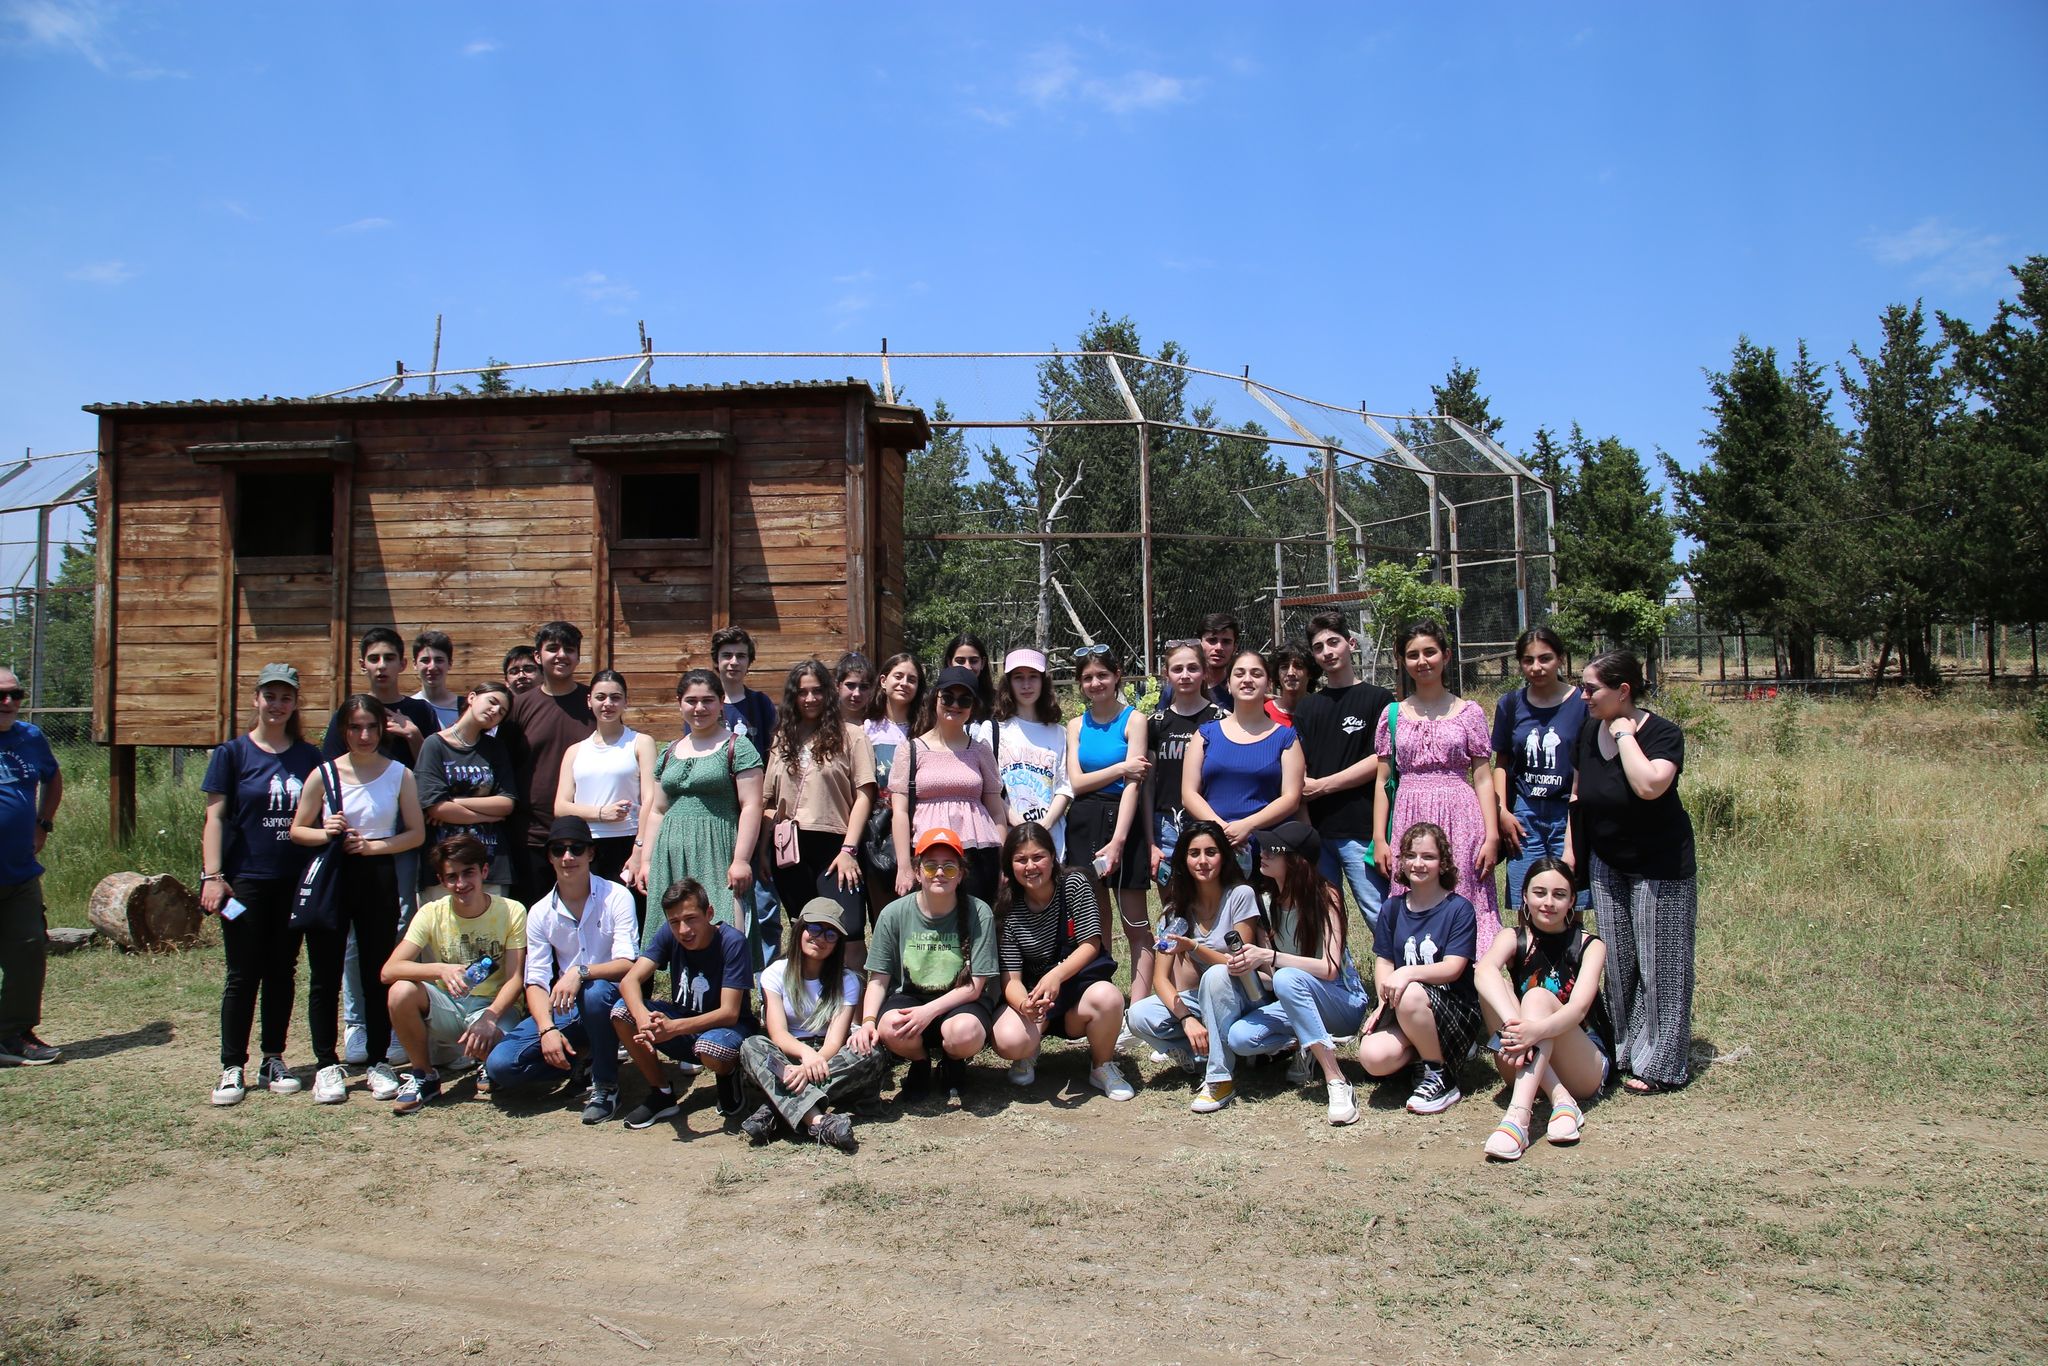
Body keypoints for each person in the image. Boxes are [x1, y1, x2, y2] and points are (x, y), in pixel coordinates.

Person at [1566, 650, 1697, 1094]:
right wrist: (1572, 856)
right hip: (1607, 863)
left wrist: (1624, 734)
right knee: (1619, 963)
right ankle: (1624, 1051)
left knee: (1661, 964)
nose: (1583, 696)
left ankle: (1663, 1063)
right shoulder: (1587, 730)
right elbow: (1578, 797)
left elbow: (1648, 785)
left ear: (1623, 691)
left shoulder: (1662, 733)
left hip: (1660, 866)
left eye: (1591, 689)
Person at [289, 695, 426, 1105]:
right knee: (325, 974)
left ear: (382, 729)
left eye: (371, 726)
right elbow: (299, 830)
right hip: (332, 878)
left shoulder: (399, 774)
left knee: (376, 972)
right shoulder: (324, 774)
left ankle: (379, 1061)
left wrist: (374, 847)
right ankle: (326, 1063)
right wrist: (326, 831)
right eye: (355, 727)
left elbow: (415, 834)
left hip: (377, 876)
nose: (364, 735)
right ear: (343, 730)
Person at [199, 662, 319, 1103]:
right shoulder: (231, 754)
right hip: (243, 883)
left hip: (292, 881)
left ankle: (273, 1058)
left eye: (285, 697)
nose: (277, 704)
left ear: (294, 703)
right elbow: (215, 817)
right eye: (270, 695)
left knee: (282, 971)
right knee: (242, 973)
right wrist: (213, 877)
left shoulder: (308, 757)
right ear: (256, 699)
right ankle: (232, 1066)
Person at [321, 627, 438, 1066]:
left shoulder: (419, 711)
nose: (383, 665)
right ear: (364, 664)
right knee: (354, 935)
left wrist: (410, 735)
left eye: (391, 657)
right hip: (357, 840)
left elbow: (434, 764)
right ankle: (358, 1023)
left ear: (402, 664)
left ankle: (392, 1019)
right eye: (375, 658)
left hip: (405, 834)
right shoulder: (350, 713)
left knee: (402, 927)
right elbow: (332, 775)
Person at [483, 817, 639, 1123]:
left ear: (590, 854)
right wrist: (546, 1029)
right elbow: (536, 981)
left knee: (594, 994)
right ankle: (580, 1059)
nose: (568, 857)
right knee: (500, 1065)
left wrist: (581, 971)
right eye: (559, 850)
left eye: (576, 848)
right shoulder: (540, 912)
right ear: (550, 856)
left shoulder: (617, 896)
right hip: (565, 1007)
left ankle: (605, 1086)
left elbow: (627, 965)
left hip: (610, 999)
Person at [1223, 820, 1370, 1125]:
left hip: (1343, 1003)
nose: (1262, 853)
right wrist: (1247, 968)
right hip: (1295, 997)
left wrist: (1272, 956)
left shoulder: (1326, 897)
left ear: (1296, 860)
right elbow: (1272, 976)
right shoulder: (1266, 902)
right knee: (1240, 1038)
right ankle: (1309, 1042)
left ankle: (1337, 1081)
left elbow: (1329, 970)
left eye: (1272, 851)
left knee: (1287, 977)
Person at [1372, 621, 1502, 955]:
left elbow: (1483, 777)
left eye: (1430, 652)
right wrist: (1380, 839)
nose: (1422, 661)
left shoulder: (1469, 712)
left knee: (1464, 891)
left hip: (1461, 814)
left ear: (1445, 656)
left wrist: (1491, 835)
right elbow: (1382, 779)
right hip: (1409, 815)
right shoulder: (1393, 714)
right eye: (1413, 654)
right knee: (1413, 891)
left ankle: (1470, 977)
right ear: (1402, 661)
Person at [1123, 820, 1266, 1113]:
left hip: (1244, 996)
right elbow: (1161, 980)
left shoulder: (1240, 896)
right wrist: (1186, 1019)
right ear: (1183, 860)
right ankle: (1200, 1054)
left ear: (1224, 856)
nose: (1202, 861)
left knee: (1216, 975)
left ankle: (1220, 1079)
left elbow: (1239, 963)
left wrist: (1194, 947)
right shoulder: (1176, 909)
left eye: (1211, 852)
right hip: (1201, 1001)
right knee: (1138, 1015)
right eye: (1194, 853)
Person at [1473, 858, 1611, 1160]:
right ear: (1524, 896)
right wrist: (1516, 1024)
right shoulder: (1512, 938)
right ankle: (1560, 1098)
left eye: (1559, 895)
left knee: (1537, 998)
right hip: (1522, 1054)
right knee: (1492, 986)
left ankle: (1517, 1119)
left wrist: (1531, 1030)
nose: (1548, 902)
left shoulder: (1590, 945)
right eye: (1539, 893)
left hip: (1583, 1065)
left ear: (1572, 900)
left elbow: (1577, 1010)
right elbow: (1482, 971)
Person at [379, 836, 527, 1115]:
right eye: (452, 876)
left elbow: (515, 978)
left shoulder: (511, 911)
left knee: (503, 1063)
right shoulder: (431, 913)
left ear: (484, 871)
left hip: (494, 1008)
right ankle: (424, 1076)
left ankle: (489, 1063)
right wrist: (440, 969)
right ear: (441, 880)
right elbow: (389, 970)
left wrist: (490, 1016)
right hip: (450, 1007)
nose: (461, 884)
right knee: (400, 991)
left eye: (468, 872)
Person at [852, 827, 998, 1105]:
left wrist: (927, 1012)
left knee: (964, 1033)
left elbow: (976, 985)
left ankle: (953, 1062)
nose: (940, 873)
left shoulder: (979, 912)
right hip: (911, 997)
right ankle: (919, 1063)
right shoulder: (894, 913)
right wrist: (868, 1022)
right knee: (890, 1025)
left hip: (961, 1001)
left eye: (949, 867)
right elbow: (879, 978)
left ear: (962, 874)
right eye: (930, 867)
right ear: (917, 873)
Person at [988, 823, 1133, 1101]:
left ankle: (1102, 1065)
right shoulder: (1007, 907)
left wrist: (1056, 975)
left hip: (1076, 995)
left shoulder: (1075, 883)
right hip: (1036, 997)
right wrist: (1024, 1006)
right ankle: (1028, 1052)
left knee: (1109, 997)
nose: (1030, 866)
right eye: (1021, 860)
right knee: (1008, 1040)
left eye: (1038, 857)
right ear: (1010, 866)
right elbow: (1011, 978)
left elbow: (1091, 944)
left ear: (1053, 857)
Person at [630, 669, 766, 952]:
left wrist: (741, 859)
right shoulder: (669, 751)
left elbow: (751, 805)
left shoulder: (737, 747)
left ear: (720, 703)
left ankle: (730, 995)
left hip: (717, 850)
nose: (699, 708)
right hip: (670, 853)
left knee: (724, 927)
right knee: (675, 931)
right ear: (680, 703)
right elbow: (657, 809)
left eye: (708, 700)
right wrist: (646, 860)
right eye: (691, 700)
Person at [735, 897, 881, 1151]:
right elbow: (777, 1032)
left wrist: (810, 1065)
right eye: (813, 928)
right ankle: (818, 1121)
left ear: (838, 943)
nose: (820, 938)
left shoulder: (848, 980)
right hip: (788, 1054)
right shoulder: (775, 973)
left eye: (830, 934)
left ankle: (774, 1109)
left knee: (872, 1051)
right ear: (800, 929)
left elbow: (835, 1040)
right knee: (752, 1045)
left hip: (827, 1056)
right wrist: (804, 1056)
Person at [612, 877, 757, 1129]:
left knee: (711, 1047)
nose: (683, 930)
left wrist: (673, 1028)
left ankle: (728, 1073)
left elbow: (729, 1013)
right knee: (622, 1012)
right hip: (680, 1021)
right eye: (675, 922)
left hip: (727, 1029)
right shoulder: (668, 934)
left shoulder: (732, 942)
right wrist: (643, 1019)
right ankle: (661, 1093)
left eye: (691, 919)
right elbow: (629, 981)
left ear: (709, 912)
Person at [1357, 822, 1481, 1116]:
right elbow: (1385, 960)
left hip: (1453, 1007)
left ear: (1443, 863)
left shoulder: (1459, 909)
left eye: (1428, 856)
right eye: (1411, 855)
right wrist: (1382, 1004)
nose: (1418, 863)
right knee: (1372, 1058)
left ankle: (1442, 1075)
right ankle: (1426, 1055)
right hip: (1405, 1007)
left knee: (1412, 992)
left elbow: (1453, 968)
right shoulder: (1393, 908)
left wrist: (1407, 974)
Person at [760, 659, 877, 970]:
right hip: (789, 851)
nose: (809, 699)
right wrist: (761, 852)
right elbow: (767, 801)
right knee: (805, 932)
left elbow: (865, 794)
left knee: (849, 932)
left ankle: (855, 1014)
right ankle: (806, 1009)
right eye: (802, 692)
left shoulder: (851, 735)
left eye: (816, 691)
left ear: (829, 693)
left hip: (836, 849)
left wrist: (849, 850)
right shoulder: (783, 737)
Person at [1292, 610, 1394, 927]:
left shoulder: (1379, 699)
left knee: (1377, 911)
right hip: (1319, 832)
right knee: (1323, 918)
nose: (1328, 652)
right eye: (1319, 647)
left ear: (1350, 643)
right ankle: (1336, 976)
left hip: (1361, 831)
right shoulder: (1308, 706)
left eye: (1333, 642)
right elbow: (1299, 764)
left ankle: (1401, 975)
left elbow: (1382, 760)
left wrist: (1324, 786)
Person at [1063, 646, 1152, 1002]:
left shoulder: (1134, 721)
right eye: (1087, 678)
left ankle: (1140, 1008)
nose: (1096, 683)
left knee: (1135, 921)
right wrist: (1120, 768)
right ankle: (1102, 996)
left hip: (1123, 820)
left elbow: (1135, 783)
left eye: (1102, 675)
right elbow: (1077, 783)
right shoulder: (1075, 726)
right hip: (1084, 819)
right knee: (1095, 919)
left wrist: (1118, 841)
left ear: (1117, 675)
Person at [888, 666, 1008, 905]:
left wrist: (1002, 862)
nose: (955, 705)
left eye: (964, 699)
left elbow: (996, 810)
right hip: (928, 853)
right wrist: (904, 865)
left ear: (973, 706)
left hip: (979, 852)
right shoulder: (911, 750)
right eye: (948, 697)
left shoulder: (981, 750)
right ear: (935, 698)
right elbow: (899, 812)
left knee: (977, 924)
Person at [498, 621, 595, 907]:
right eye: (552, 648)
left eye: (569, 649)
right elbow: (504, 765)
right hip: (531, 836)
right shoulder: (519, 706)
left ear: (578, 656)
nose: (561, 655)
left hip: (584, 836)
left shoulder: (594, 702)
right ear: (538, 657)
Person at [1492, 627, 1588, 911]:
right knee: (1528, 901)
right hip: (1525, 816)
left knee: (1568, 900)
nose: (1536, 667)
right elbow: (1502, 762)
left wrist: (1577, 818)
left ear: (1560, 658)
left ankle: (1571, 956)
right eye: (1528, 660)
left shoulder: (1582, 703)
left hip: (1567, 814)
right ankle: (1527, 955)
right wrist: (1502, 812)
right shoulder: (1510, 705)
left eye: (1545, 658)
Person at [1182, 650, 1303, 873]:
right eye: (1240, 673)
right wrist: (1222, 830)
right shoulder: (1205, 734)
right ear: (1228, 684)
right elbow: (1189, 793)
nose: (1247, 679)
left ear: (1268, 684)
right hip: (1212, 849)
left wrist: (1248, 826)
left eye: (1256, 673)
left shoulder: (1286, 737)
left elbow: (1291, 798)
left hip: (1267, 852)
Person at [554, 669, 657, 927]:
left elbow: (651, 799)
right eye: (601, 697)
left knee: (631, 923)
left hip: (628, 844)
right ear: (589, 701)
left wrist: (639, 852)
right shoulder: (575, 752)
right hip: (586, 848)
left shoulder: (640, 743)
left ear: (625, 702)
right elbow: (561, 806)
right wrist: (601, 813)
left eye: (615, 697)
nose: (608, 704)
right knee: (592, 923)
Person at [0, 663, 60, 1067]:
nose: (8, 702)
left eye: (15, 694)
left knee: (27, 952)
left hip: (19, 872)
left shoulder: (30, 738)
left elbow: (52, 779)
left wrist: (43, 824)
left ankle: (12, 1035)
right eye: (0, 695)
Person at [414, 682, 517, 898]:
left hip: (491, 862)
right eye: (492, 702)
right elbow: (436, 808)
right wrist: (488, 816)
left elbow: (506, 804)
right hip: (444, 864)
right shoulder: (435, 744)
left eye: (502, 711)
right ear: (471, 697)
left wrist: (456, 802)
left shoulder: (495, 748)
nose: (495, 711)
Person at [971, 647, 1072, 860]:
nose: (1026, 685)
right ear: (1008, 683)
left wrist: (1044, 824)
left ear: (1043, 681)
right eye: (1019, 678)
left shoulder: (1059, 733)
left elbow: (1065, 786)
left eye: (1033, 677)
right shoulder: (992, 730)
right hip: (1007, 840)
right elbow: (987, 786)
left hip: (1050, 841)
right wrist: (1017, 822)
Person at [1145, 641, 1225, 893]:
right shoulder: (1156, 724)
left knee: (1211, 903)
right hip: (1166, 826)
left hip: (1209, 822)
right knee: (1172, 907)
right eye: (1177, 669)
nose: (1185, 675)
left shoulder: (1222, 721)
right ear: (1166, 674)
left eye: (1193, 668)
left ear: (1204, 672)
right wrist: (1150, 841)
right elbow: (1147, 787)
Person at [711, 625, 777, 749]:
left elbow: (774, 749)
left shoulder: (761, 703)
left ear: (749, 661)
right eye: (727, 655)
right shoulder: (704, 703)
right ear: (716, 660)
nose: (734, 662)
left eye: (741, 656)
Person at [410, 630, 462, 731]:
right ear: (414, 664)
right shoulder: (407, 708)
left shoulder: (465, 708)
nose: (432, 667)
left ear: (450, 664)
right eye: (425, 660)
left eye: (439, 660)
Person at [939, 631, 996, 722]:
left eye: (973, 661)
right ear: (949, 662)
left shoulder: (996, 703)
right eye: (960, 661)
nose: (967, 667)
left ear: (983, 663)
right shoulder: (936, 700)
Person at [1264, 641, 1318, 726]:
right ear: (1277, 674)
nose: (1290, 673)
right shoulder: (1264, 712)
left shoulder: (1320, 712)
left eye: (1298, 666)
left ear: (1310, 673)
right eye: (1284, 667)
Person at [1197, 612, 1241, 710]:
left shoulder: (1241, 691)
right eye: (1212, 640)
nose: (1219, 647)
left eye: (1226, 642)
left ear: (1235, 647)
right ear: (1199, 644)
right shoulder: (1180, 688)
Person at [833, 652, 875, 729]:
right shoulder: (826, 722)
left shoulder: (875, 725)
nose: (857, 694)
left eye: (864, 687)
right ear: (837, 685)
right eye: (850, 685)